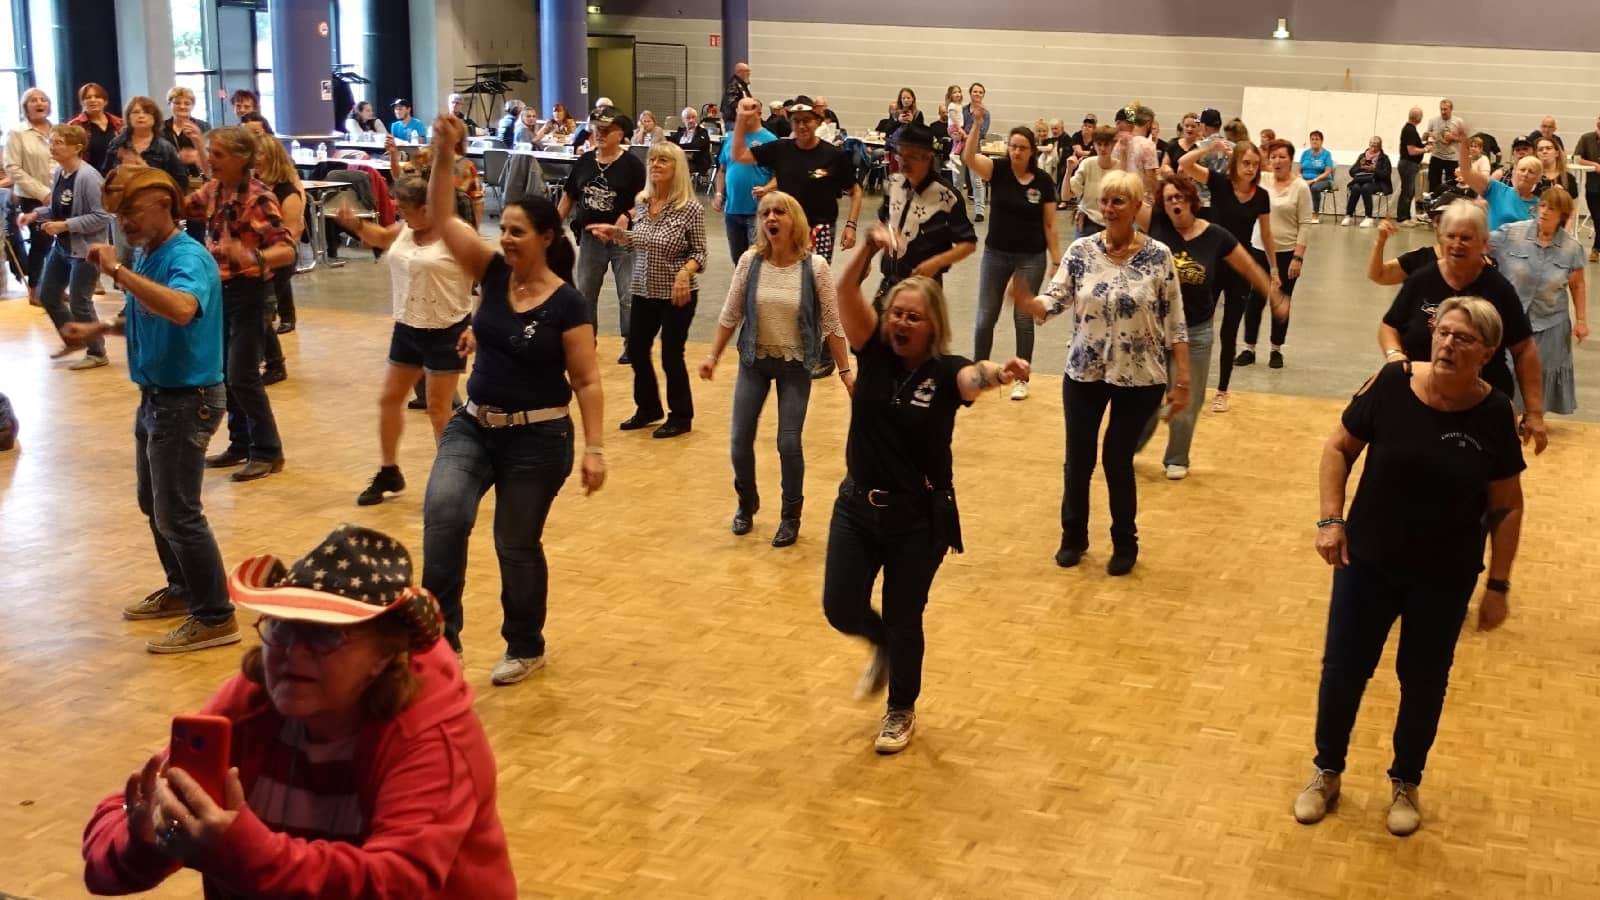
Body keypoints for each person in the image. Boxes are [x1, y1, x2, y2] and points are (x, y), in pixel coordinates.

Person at [83, 524, 518, 896]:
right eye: (280, 626)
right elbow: (106, 846)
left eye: (325, 636)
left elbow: (396, 882)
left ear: (385, 655)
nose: (293, 650)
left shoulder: (431, 736)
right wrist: (142, 840)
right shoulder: (253, 702)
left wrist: (247, 853)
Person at [1296, 297, 1524, 837]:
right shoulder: (1392, 383)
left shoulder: (1493, 414)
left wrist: (1498, 584)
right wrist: (1331, 520)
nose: (1447, 344)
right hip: (1367, 561)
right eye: (1443, 333)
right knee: (1344, 670)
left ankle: (1406, 781)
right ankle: (1326, 771)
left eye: (1463, 339)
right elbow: (1338, 448)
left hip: (1444, 576)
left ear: (1487, 353)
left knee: (1423, 681)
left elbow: (1508, 505)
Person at [822, 221, 1030, 755]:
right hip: (856, 507)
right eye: (896, 313)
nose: (902, 323)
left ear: (932, 326)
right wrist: (867, 248)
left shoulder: (946, 372)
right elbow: (844, 293)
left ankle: (900, 708)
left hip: (917, 518)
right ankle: (881, 647)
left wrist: (999, 374)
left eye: (913, 317)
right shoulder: (873, 351)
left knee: (903, 613)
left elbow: (972, 378)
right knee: (841, 605)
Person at [419, 114, 605, 686]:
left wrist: (595, 448)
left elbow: (588, 381)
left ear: (547, 238)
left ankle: (525, 643)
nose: (506, 238)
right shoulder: (493, 273)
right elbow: (444, 218)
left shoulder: (568, 303)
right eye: (505, 229)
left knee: (515, 544)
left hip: (539, 438)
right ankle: (440, 645)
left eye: (519, 231)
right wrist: (443, 154)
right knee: (444, 515)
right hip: (473, 424)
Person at [57, 166, 239, 652]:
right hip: (157, 397)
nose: (124, 224)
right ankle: (183, 590)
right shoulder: (148, 254)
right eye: (118, 215)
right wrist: (97, 331)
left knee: (179, 512)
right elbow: (146, 312)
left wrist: (117, 272)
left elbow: (180, 309)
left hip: (188, 400)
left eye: (131, 212)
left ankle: (216, 614)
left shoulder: (187, 257)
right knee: (153, 504)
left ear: (165, 205)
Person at [1015, 170, 1189, 577]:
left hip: (1141, 376)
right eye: (1105, 201)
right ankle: (1072, 537)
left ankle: (1125, 541)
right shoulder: (1081, 251)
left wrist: (1183, 380)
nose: (1109, 209)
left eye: (1118, 202)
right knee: (1078, 458)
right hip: (1084, 371)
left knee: (1116, 458)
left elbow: (1175, 320)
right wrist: (1029, 302)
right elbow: (1055, 299)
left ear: (1136, 207)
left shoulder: (1159, 256)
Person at [699, 190, 852, 546]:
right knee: (738, 440)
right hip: (754, 359)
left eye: (779, 212)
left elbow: (831, 322)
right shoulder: (750, 261)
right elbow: (731, 312)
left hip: (796, 364)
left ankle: (790, 514)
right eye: (766, 212)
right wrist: (713, 355)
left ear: (793, 220)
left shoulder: (815, 267)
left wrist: (845, 371)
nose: (771, 218)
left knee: (788, 442)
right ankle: (746, 502)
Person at [334, 176, 474, 505]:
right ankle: (389, 470)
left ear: (427, 208)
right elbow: (381, 237)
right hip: (408, 327)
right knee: (389, 399)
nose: (400, 213)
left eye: (405, 209)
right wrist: (355, 226)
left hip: (447, 329)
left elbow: (493, 281)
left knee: (439, 410)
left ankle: (450, 482)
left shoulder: (459, 235)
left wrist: (477, 327)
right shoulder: (406, 229)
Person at [1134, 172, 1278, 479]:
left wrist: (1273, 295)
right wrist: (1127, 133)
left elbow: (1249, 267)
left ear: (1191, 200)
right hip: (1154, 330)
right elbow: (1126, 198)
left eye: (1179, 197)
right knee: (1143, 397)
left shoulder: (1216, 236)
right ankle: (1128, 446)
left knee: (1188, 398)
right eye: (1169, 198)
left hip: (1196, 330)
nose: (1174, 203)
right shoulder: (1156, 225)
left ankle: (1177, 458)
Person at [1380, 200, 1547, 452]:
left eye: (1466, 238)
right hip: (1420, 398)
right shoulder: (1421, 279)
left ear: (1484, 243)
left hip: (1482, 405)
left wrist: (1534, 413)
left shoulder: (1499, 289)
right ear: (1441, 238)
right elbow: (1389, 325)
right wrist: (1395, 355)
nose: (1457, 244)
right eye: (1451, 236)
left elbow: (1524, 349)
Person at [186, 126, 293, 482]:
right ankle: (240, 443)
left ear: (241, 158)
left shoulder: (258, 198)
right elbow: (185, 206)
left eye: (217, 155)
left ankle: (268, 451)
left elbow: (287, 249)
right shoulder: (216, 190)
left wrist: (252, 255)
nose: (210, 161)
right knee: (224, 373)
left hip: (251, 295)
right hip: (221, 293)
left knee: (242, 375)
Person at [586, 142, 706, 438]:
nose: (655, 165)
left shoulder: (689, 208)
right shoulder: (642, 202)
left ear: (677, 168)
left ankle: (681, 415)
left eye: (663, 160)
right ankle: (649, 407)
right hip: (643, 288)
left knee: (670, 354)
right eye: (653, 160)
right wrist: (618, 235)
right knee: (638, 351)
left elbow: (700, 253)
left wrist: (684, 272)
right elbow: (642, 240)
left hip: (677, 293)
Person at [1179, 139, 1278, 411]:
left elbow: (1267, 235)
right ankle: (1186, 385)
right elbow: (1184, 164)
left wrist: (1275, 270)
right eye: (1246, 163)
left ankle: (1222, 391)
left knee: (1229, 331)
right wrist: (1209, 149)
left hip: (1241, 267)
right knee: (1198, 326)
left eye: (1255, 164)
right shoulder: (1220, 183)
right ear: (1235, 163)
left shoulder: (1261, 196)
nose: (1250, 168)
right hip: (1211, 265)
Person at [966, 125, 1058, 400]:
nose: (1016, 152)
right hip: (996, 254)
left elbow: (1050, 224)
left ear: (1032, 151)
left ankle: (1021, 378)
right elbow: (969, 158)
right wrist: (976, 124)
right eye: (1013, 146)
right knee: (985, 317)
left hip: (1031, 257)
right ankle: (979, 372)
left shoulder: (1042, 181)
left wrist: (1056, 261)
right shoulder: (998, 170)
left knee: (1023, 317)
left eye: (1022, 148)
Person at [1490, 188, 1588, 415]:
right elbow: (1481, 244)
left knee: (1540, 370)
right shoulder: (1512, 233)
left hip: (1551, 320)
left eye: (1551, 208)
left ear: (1562, 214)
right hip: (1512, 317)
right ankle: (1505, 414)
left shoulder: (1572, 248)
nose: (1544, 212)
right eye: (1542, 206)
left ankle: (1532, 416)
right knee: (1509, 368)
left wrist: (1581, 320)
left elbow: (1578, 285)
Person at [560, 105, 645, 365]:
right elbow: (568, 197)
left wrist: (628, 215)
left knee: (628, 293)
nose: (600, 134)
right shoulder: (584, 162)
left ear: (620, 134)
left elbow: (645, 200)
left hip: (622, 240)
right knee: (585, 293)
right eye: (596, 129)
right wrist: (550, 228)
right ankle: (586, 341)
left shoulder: (631, 165)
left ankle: (633, 344)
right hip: (590, 239)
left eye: (606, 130)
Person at [732, 96, 861, 266]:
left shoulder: (834, 155)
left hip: (819, 229)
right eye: (796, 121)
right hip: (785, 228)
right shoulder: (780, 149)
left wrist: (851, 226)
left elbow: (855, 191)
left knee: (816, 280)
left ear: (817, 122)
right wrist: (741, 119)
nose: (801, 126)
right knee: (783, 276)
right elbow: (739, 155)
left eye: (806, 120)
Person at [24, 125, 113, 370]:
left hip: (86, 250)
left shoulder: (88, 177)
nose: (53, 146)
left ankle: (97, 351)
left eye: (59, 142)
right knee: (47, 295)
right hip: (63, 247)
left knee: (79, 302)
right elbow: (57, 209)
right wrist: (36, 215)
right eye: (52, 142)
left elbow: (102, 215)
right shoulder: (60, 174)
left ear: (77, 148)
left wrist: (65, 225)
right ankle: (73, 338)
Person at [878, 122, 977, 302]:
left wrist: (937, 263)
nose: (903, 161)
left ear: (927, 157)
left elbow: (969, 244)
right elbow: (884, 223)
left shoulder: (947, 196)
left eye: (910, 156)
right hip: (889, 284)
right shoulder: (893, 183)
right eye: (900, 154)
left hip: (924, 289)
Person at [1243, 138, 1312, 369]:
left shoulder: (1300, 187)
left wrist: (1298, 257)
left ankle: (1276, 349)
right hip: (1258, 249)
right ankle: (1249, 347)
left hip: (1287, 252)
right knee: (1255, 300)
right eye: (1273, 157)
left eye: (1282, 156)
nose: (1277, 161)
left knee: (1281, 302)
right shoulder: (1261, 181)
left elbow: (1305, 223)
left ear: (1290, 160)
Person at [251, 138, 304, 382]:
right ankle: (273, 363)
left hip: (277, 260)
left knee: (260, 313)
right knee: (258, 313)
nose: (255, 158)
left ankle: (272, 364)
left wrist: (266, 255)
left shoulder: (287, 193)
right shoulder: (254, 186)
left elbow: (291, 234)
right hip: (256, 258)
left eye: (260, 154)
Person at [7, 88, 58, 302]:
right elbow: (13, 168)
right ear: (25, 107)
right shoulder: (18, 133)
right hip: (32, 195)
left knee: (63, 244)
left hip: (60, 192)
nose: (39, 103)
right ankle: (35, 287)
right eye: (33, 101)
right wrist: (42, 192)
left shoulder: (58, 130)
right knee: (41, 242)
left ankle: (56, 286)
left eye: (43, 100)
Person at [712, 107, 775, 264]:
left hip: (757, 211)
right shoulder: (731, 138)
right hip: (732, 210)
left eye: (749, 109)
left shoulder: (770, 139)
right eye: (741, 110)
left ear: (759, 113)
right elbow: (722, 170)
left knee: (757, 260)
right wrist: (719, 194)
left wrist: (767, 189)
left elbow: (780, 175)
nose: (744, 114)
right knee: (738, 261)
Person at [106, 97, 190, 198]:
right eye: (136, 112)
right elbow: (106, 175)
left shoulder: (165, 148)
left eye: (146, 112)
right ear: (128, 117)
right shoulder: (117, 143)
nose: (141, 116)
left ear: (155, 118)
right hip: (122, 205)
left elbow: (181, 183)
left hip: (155, 204)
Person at [162, 87, 209, 243]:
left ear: (192, 105)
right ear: (170, 104)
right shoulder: (161, 128)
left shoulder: (203, 127)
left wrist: (196, 155)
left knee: (197, 225)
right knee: (169, 223)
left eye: (186, 103)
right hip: (170, 180)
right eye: (177, 103)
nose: (182, 106)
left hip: (196, 181)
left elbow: (210, 152)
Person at [1460, 154, 1541, 231]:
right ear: (1515, 172)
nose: (1525, 174)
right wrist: (1463, 143)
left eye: (1531, 172)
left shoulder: (1540, 205)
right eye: (1522, 170)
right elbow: (1467, 172)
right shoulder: (1497, 190)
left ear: (1538, 178)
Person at [1068, 125, 1119, 237]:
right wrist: (1069, 171)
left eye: (1106, 144)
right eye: (1099, 144)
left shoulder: (1119, 167)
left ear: (1113, 145)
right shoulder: (1087, 164)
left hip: (1112, 221)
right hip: (1087, 221)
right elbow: (1068, 194)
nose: (1102, 148)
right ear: (1094, 145)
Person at [66, 82, 122, 173]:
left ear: (105, 101)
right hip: (88, 178)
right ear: (81, 102)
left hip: (118, 178)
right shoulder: (74, 126)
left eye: (97, 96)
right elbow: (69, 156)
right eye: (88, 97)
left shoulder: (119, 123)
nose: (93, 100)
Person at [1339, 136, 1392, 227]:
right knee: (1355, 187)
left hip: (1378, 182)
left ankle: (1369, 217)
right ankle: (1348, 215)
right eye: (1371, 145)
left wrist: (1375, 169)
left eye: (1375, 146)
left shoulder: (1384, 158)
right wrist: (1360, 166)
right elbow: (1351, 172)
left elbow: (1386, 175)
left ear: (1380, 147)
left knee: (1366, 187)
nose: (1373, 148)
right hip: (1361, 180)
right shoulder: (1363, 156)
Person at [1111, 104, 1160, 198]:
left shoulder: (1117, 143)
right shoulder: (1147, 145)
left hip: (1118, 192)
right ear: (1149, 123)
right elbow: (1151, 178)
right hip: (1139, 196)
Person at [1424, 99, 1466, 196]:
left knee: (1452, 184)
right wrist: (1429, 134)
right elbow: (1425, 138)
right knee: (1433, 183)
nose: (1443, 112)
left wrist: (1453, 137)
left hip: (1452, 158)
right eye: (1441, 109)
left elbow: (1464, 140)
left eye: (1445, 109)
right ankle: (1433, 205)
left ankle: (1449, 204)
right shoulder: (1433, 120)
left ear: (1451, 109)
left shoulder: (1458, 122)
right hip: (1437, 156)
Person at [1397, 107, 1425, 226]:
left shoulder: (1410, 129)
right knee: (1407, 192)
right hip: (1408, 164)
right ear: (1419, 118)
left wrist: (1423, 141)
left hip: (1409, 164)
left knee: (1410, 191)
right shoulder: (1410, 130)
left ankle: (1406, 216)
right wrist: (1426, 149)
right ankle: (1402, 218)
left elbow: (1413, 145)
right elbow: (1412, 151)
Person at [1299, 131, 1335, 221]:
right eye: (1312, 139)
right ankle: (1299, 213)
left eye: (1317, 139)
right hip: (1305, 179)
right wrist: (1300, 178)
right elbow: (1299, 170)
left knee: (1314, 187)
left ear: (1321, 141)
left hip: (1322, 180)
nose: (1314, 141)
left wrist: (1313, 180)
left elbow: (1327, 172)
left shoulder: (1326, 154)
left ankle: (1315, 213)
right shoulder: (1305, 153)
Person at [669, 106, 712, 175]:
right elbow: (670, 144)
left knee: (675, 167)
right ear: (683, 120)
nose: (691, 120)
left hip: (696, 162)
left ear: (697, 118)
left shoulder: (702, 132)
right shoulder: (680, 132)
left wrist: (677, 147)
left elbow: (695, 145)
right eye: (688, 118)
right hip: (678, 160)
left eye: (693, 117)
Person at [721, 61, 752, 127]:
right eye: (747, 71)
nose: (749, 73)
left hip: (740, 119)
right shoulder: (733, 84)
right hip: (733, 119)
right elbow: (731, 101)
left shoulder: (742, 84)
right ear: (739, 72)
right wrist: (746, 108)